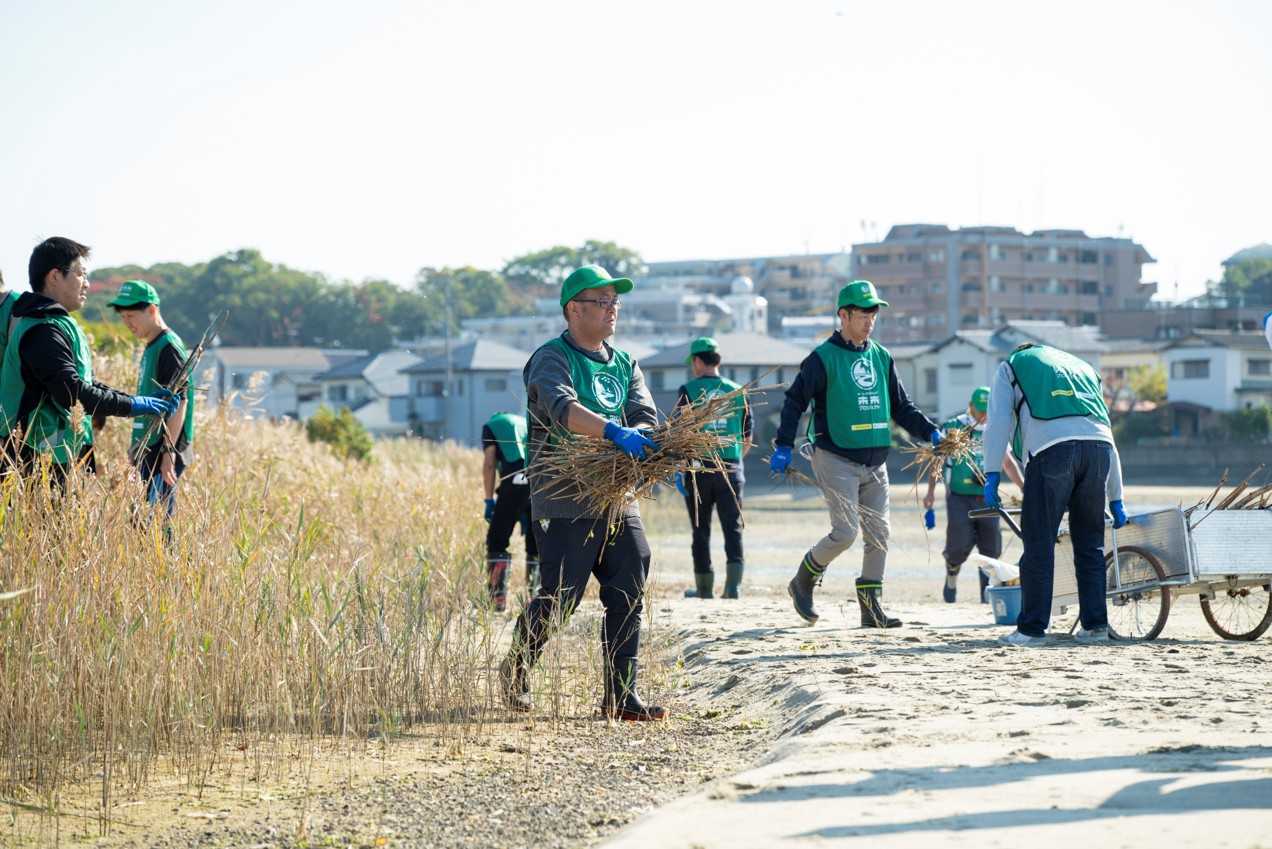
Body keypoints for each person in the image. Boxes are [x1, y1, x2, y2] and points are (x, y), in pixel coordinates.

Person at [500, 264, 667, 722]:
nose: (612, 309)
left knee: (630, 585)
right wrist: (614, 432)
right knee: (561, 598)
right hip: (564, 496)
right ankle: (516, 666)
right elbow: (561, 407)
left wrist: (645, 437)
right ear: (574, 309)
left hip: (616, 497)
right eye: (602, 302)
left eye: (616, 302)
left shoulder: (626, 362)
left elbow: (644, 413)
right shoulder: (551, 357)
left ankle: (621, 697)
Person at [771, 280, 942, 629]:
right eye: (863, 313)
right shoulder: (822, 358)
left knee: (879, 535)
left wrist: (931, 432)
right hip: (835, 456)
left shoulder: (880, 356)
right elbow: (794, 401)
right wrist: (783, 445)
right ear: (844, 315)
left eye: (874, 314)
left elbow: (901, 407)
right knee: (845, 533)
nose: (869, 320)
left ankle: (870, 608)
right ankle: (802, 581)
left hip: (876, 462)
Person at [981, 342, 1126, 647]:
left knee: (1039, 542)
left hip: (1052, 452)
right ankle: (1095, 627)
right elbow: (1105, 430)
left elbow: (999, 422)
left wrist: (992, 472)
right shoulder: (1083, 368)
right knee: (1090, 544)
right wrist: (1117, 498)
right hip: (1099, 453)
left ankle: (1032, 630)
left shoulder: (1012, 365)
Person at [0, 238, 177, 481]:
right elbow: (71, 392)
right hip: (31, 464)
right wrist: (133, 406)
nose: (87, 284)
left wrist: (137, 402)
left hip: (54, 459)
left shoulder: (55, 323)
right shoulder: (43, 329)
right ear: (54, 276)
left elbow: (87, 384)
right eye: (81, 274)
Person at [922, 386, 1024, 603]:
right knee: (958, 547)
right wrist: (930, 493)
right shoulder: (954, 427)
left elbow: (1007, 462)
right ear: (970, 407)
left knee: (991, 550)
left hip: (988, 498)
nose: (984, 415)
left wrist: (1024, 487)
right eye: (980, 411)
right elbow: (937, 461)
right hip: (960, 496)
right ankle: (952, 572)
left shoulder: (996, 427)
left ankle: (986, 598)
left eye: (987, 410)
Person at [673, 336, 753, 599]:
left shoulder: (688, 390)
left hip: (699, 471)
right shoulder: (737, 391)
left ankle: (705, 589)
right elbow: (747, 437)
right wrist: (732, 460)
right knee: (732, 528)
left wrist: (682, 468)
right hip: (731, 469)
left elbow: (680, 435)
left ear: (697, 361)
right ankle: (733, 588)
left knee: (700, 529)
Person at [109, 280, 194, 517]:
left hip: (162, 454)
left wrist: (168, 454)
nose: (127, 323)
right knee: (140, 526)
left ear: (152, 310)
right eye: (123, 316)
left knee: (155, 527)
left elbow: (180, 402)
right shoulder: (151, 346)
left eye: (132, 315)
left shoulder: (168, 347)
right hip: (148, 451)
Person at [481, 409, 539, 612]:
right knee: (536, 542)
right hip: (539, 483)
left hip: (514, 485)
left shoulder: (492, 425)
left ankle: (497, 599)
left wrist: (489, 500)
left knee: (497, 540)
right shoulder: (524, 422)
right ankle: (536, 599)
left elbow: (489, 465)